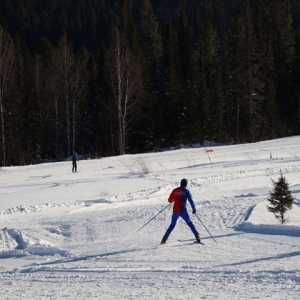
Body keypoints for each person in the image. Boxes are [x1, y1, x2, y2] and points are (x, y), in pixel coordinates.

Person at [161, 178, 201, 244]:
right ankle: (197, 236)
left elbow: (169, 200)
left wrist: (174, 200)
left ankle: (164, 240)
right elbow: (191, 201)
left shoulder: (175, 190)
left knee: (172, 225)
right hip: (183, 211)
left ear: (180, 183)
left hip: (175, 211)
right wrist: (194, 209)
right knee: (190, 224)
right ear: (186, 184)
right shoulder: (186, 191)